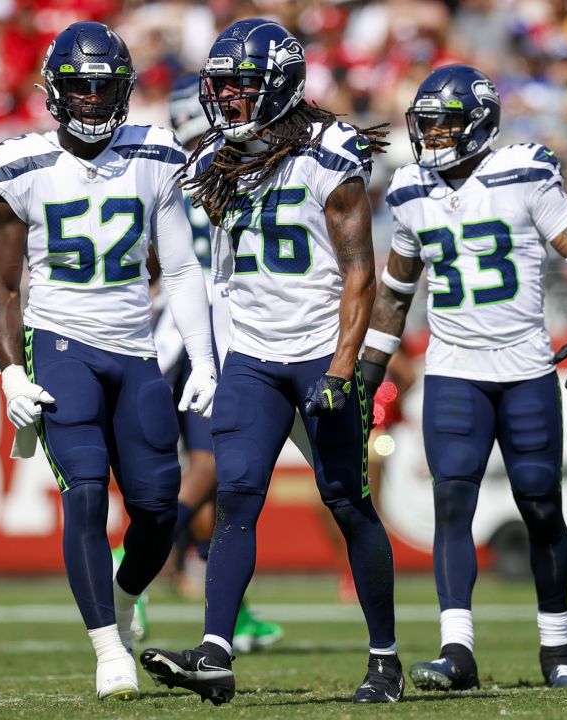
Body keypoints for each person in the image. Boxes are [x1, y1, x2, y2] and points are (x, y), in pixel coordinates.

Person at [141, 19, 402, 705]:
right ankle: (217, 654)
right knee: (235, 499)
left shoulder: (330, 152)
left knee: (348, 503)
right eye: (219, 84)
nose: (226, 98)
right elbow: (180, 263)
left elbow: (359, 275)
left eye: (241, 85)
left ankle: (385, 659)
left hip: (321, 350)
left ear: (281, 85)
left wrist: (345, 370)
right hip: (251, 356)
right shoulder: (212, 162)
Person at [0, 22, 215, 702]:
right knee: (84, 489)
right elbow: (0, 284)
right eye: (79, 86)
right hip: (59, 343)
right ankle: (108, 648)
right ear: (55, 90)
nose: (90, 100)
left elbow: (179, 266)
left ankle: (120, 597)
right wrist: (10, 371)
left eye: (103, 87)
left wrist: (202, 360)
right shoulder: (19, 165)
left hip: (135, 348)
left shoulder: (156, 154)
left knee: (157, 511)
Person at [361, 65, 567, 692]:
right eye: (427, 123)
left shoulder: (525, 173)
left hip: (526, 367)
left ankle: (557, 648)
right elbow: (395, 295)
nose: (434, 134)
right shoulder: (410, 189)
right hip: (453, 371)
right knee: (453, 501)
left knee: (539, 503)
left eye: (445, 121)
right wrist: (368, 372)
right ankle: (457, 650)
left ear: (479, 120)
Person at [152, 75, 284, 651]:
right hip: (203, 333)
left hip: (200, 329)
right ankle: (137, 550)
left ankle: (235, 607)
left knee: (225, 479)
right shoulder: (197, 169)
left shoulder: (210, 164)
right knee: (212, 467)